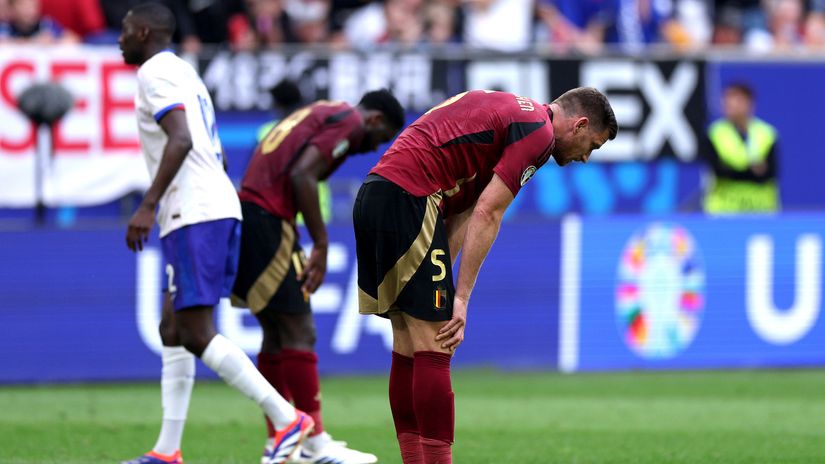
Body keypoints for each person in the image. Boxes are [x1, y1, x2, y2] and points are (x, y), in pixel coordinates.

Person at [353, 88, 617, 464]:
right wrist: (459, 299)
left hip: (379, 193)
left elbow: (463, 211)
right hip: (411, 197)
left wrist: (444, 285)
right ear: (579, 124)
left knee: (409, 345)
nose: (586, 158)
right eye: (591, 146)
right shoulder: (538, 133)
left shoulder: (507, 110)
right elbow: (489, 214)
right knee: (436, 345)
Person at [118, 4, 313, 464]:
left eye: (125, 31)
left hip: (196, 211)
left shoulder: (154, 73)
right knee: (173, 326)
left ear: (144, 31)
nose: (120, 39)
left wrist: (148, 204)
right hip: (212, 204)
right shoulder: (185, 72)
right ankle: (167, 452)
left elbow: (182, 139)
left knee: (196, 329)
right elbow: (215, 153)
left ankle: (287, 418)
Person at [231, 89, 405, 464]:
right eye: (380, 137)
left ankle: (283, 439)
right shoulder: (349, 121)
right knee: (298, 329)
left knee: (277, 332)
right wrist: (321, 244)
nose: (372, 148)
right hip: (267, 219)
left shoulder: (324, 111)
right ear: (373, 120)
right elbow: (302, 174)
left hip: (256, 213)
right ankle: (314, 441)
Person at [702, 82, 780, 214]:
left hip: (761, 211)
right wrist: (752, 170)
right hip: (723, 211)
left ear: (749, 103)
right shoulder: (715, 133)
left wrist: (732, 168)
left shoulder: (767, 134)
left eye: (737, 100)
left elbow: (770, 174)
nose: (730, 105)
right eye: (727, 100)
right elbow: (718, 171)